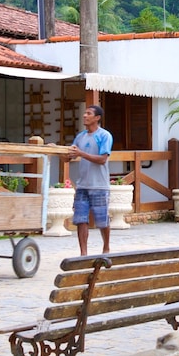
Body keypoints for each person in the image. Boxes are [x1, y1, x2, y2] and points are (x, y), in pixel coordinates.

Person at [70, 105, 113, 256]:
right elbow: (69, 156)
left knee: (102, 220)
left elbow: (102, 159)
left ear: (97, 118)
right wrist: (55, 149)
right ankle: (83, 253)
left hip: (100, 185)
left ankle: (106, 247)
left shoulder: (104, 136)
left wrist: (81, 153)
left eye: (88, 113)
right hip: (82, 185)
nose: (84, 116)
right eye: (85, 113)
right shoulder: (80, 137)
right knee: (81, 219)